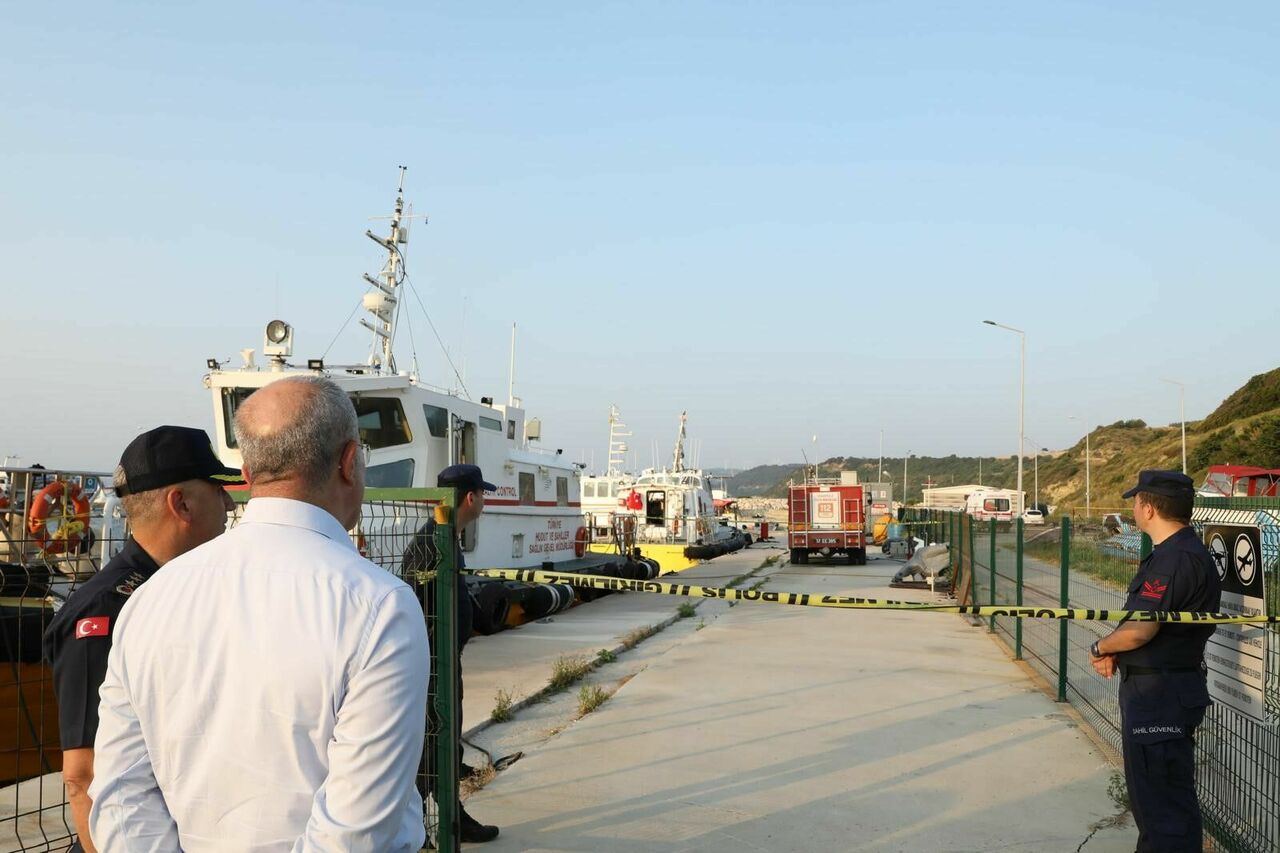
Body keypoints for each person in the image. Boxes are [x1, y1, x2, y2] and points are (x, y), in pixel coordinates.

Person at [88, 375, 429, 851]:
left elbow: (121, 796)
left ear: (247, 474)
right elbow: (355, 832)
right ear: (350, 462)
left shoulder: (150, 598)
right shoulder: (380, 606)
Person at [43, 425, 241, 853]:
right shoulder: (104, 614)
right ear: (181, 503)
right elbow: (84, 775)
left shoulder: (172, 590)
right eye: (218, 491)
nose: (228, 505)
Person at [1087, 469, 1220, 852]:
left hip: (1159, 695)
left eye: (1136, 501)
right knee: (1160, 804)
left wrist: (1101, 647)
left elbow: (1140, 630)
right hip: (1161, 689)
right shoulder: (1175, 553)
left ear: (1148, 508)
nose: (1133, 508)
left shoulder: (1174, 559)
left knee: (1163, 812)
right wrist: (1116, 647)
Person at [402, 463, 499, 844]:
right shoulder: (431, 544)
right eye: (483, 494)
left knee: (446, 742)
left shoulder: (446, 537)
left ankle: (451, 816)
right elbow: (415, 602)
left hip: (444, 660)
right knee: (432, 746)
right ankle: (412, 829)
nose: (484, 500)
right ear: (470, 498)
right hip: (431, 664)